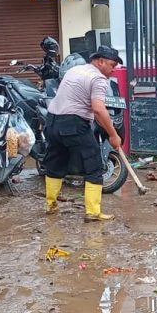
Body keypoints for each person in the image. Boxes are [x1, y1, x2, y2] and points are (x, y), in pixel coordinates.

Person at [43, 46, 123, 222]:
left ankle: (51, 205)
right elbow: (98, 109)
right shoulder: (99, 79)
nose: (113, 69)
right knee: (94, 166)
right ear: (100, 61)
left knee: (55, 163)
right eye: (112, 64)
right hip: (74, 124)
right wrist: (113, 134)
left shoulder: (75, 70)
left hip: (52, 122)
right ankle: (93, 212)